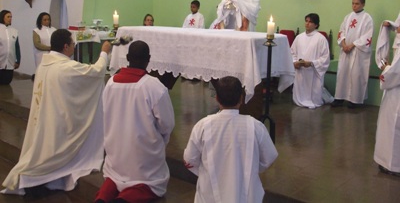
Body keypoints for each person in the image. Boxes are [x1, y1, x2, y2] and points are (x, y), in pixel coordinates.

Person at [1, 29, 111, 196]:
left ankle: (34, 179)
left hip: (46, 118)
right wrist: (104, 52)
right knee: (53, 154)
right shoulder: (65, 67)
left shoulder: (43, 65)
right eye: (73, 44)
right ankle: (35, 179)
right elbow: (96, 72)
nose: (74, 47)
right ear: (66, 46)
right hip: (58, 123)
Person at [95, 40, 175, 203]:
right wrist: (159, 141)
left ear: (127, 57)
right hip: (142, 158)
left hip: (116, 155)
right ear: (149, 59)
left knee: (113, 179)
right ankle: (124, 199)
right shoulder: (154, 87)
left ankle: (102, 198)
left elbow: (106, 115)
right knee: (148, 184)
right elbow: (167, 125)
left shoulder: (111, 83)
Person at [183, 76, 278, 203]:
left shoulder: (203, 126)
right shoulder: (255, 126)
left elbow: (189, 160)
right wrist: (251, 167)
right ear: (241, 98)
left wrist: (209, 171)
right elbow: (270, 157)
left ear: (216, 98)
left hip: (210, 196)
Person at [332, 0, 373, 108]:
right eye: (353, 3)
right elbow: (342, 31)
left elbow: (367, 36)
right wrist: (344, 44)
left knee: (356, 75)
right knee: (342, 73)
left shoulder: (367, 18)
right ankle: (339, 97)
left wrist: (353, 45)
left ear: (363, 4)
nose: (354, 6)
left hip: (357, 52)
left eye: (357, 4)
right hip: (345, 50)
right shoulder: (348, 17)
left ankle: (355, 100)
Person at [291, 13, 330, 109]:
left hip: (313, 72)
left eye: (311, 22)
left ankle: (316, 99)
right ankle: (300, 99)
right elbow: (292, 53)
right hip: (300, 71)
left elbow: (325, 58)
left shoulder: (321, 39)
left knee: (314, 95)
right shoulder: (299, 37)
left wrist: (312, 63)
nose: (307, 24)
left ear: (316, 25)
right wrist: (295, 62)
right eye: (306, 21)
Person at [374, 48, 400, 177]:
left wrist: (386, 68)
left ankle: (393, 165)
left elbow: (395, 73)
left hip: (397, 95)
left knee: (393, 127)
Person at [0, 10, 21, 85]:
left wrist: (18, 60)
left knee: (7, 83)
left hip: (10, 63)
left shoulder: (14, 31)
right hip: (1, 62)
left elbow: (17, 47)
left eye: (11, 17)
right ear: (2, 17)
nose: (10, 18)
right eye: (8, 17)